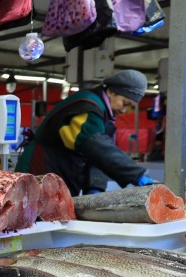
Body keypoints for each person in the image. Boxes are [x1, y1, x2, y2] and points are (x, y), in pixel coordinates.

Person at [17, 70, 153, 195]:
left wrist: (95, 185)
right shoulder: (88, 106)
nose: (123, 110)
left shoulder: (104, 116)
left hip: (61, 173)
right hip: (41, 169)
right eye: (125, 103)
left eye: (130, 107)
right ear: (112, 92)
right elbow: (95, 146)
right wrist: (136, 175)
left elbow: (96, 157)